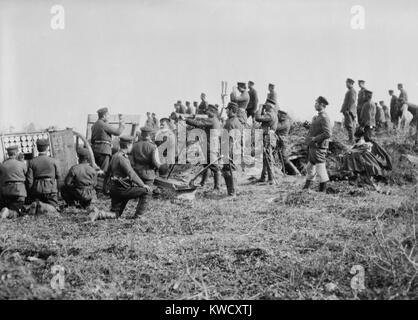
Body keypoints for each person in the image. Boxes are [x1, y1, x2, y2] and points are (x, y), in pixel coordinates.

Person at [108, 136, 152, 218]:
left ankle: (99, 214)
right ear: (128, 145)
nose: (132, 147)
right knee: (147, 191)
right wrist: (143, 185)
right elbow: (131, 174)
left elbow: (108, 172)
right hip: (122, 190)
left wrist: (105, 187)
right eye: (132, 145)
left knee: (116, 214)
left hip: (114, 189)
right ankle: (139, 216)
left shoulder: (114, 156)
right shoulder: (122, 158)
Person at [185, 104, 221, 190]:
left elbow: (199, 124)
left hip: (210, 147)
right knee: (206, 166)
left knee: (214, 167)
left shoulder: (212, 120)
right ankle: (203, 183)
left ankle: (217, 186)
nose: (207, 112)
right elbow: (201, 122)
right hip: (209, 146)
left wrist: (187, 120)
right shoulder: (214, 120)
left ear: (212, 112)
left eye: (208, 111)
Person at [303, 96, 332, 192]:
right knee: (310, 167)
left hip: (318, 146)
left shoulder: (324, 117)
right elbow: (317, 129)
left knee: (320, 167)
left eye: (317, 103)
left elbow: (328, 133)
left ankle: (322, 190)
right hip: (313, 146)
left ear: (322, 105)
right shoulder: (317, 117)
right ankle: (306, 187)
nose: (315, 105)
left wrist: (315, 139)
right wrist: (309, 127)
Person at [26, 139, 60, 207]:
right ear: (47, 148)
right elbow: (58, 176)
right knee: (53, 209)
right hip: (51, 189)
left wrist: (30, 192)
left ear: (37, 148)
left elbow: (30, 181)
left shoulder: (32, 162)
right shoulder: (54, 161)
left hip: (37, 190)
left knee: (37, 209)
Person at [91, 107, 125, 173]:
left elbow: (92, 140)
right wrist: (122, 124)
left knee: (96, 171)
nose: (109, 117)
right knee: (103, 171)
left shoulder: (94, 125)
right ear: (104, 116)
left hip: (95, 150)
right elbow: (118, 132)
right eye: (108, 115)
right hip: (104, 151)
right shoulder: (103, 125)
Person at [221, 102, 243, 196]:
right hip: (236, 149)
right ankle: (232, 192)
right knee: (231, 170)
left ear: (231, 110)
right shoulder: (237, 121)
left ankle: (232, 193)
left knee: (229, 171)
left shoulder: (230, 123)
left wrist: (226, 153)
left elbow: (229, 139)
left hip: (230, 149)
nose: (226, 111)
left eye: (227, 109)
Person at [255, 100, 278, 183]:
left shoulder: (270, 114)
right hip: (269, 136)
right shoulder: (273, 114)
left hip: (268, 136)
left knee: (268, 157)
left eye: (266, 105)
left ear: (269, 106)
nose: (265, 106)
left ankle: (271, 179)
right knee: (266, 157)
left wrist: (260, 107)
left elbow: (257, 118)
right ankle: (263, 177)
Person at [0, 145, 27, 215]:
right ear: (16, 153)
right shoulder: (22, 164)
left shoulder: (3, 165)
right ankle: (9, 212)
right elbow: (27, 177)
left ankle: (6, 209)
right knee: (18, 211)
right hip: (19, 191)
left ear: (8, 154)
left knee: (10, 205)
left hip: (6, 192)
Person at [340, 78, 357, 143]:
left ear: (351, 84)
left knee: (349, 125)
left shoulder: (352, 91)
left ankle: (351, 140)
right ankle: (351, 139)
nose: (346, 84)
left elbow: (352, 101)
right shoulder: (350, 91)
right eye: (346, 83)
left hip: (349, 111)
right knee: (348, 125)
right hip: (348, 111)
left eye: (347, 83)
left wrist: (348, 109)